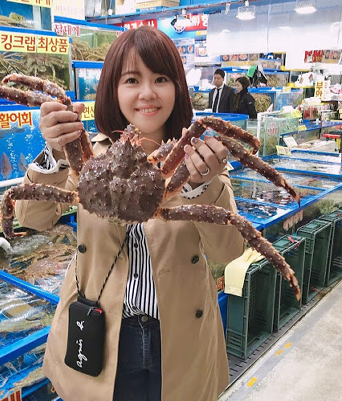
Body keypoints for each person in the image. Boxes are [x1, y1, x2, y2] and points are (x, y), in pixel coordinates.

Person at [15, 26, 244, 401]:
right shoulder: (89, 158)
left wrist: (203, 185)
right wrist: (53, 152)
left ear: (177, 87)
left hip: (178, 336)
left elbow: (228, 250)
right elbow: (30, 217)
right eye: (132, 80)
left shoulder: (195, 161)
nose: (147, 93)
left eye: (161, 79)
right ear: (113, 89)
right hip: (102, 330)